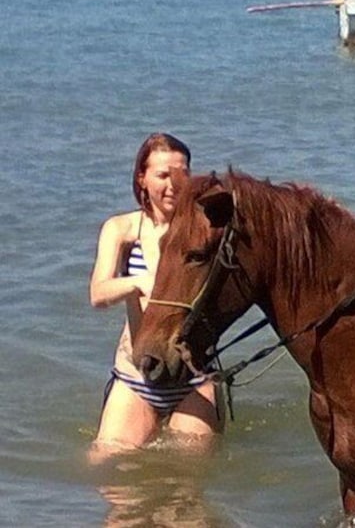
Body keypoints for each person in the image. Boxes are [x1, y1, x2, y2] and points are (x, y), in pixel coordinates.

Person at [88, 133, 223, 464]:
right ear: (142, 178)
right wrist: (138, 282)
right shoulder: (122, 230)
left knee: (187, 487)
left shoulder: (206, 231)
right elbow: (98, 294)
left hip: (193, 378)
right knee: (106, 468)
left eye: (182, 174)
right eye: (163, 175)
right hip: (137, 376)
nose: (173, 184)